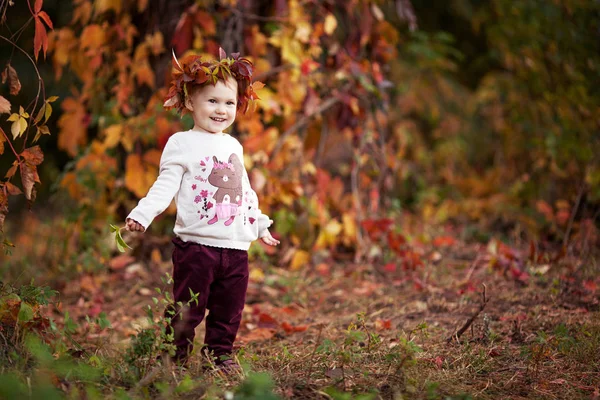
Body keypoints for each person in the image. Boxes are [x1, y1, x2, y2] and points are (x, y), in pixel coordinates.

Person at [125, 49, 279, 369]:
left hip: (236, 246)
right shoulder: (182, 143)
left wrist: (260, 224)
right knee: (187, 307)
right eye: (212, 101)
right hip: (196, 247)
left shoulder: (233, 145)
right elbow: (164, 186)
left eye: (229, 103)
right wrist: (142, 214)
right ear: (191, 101)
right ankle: (173, 357)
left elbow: (244, 190)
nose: (221, 110)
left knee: (229, 308)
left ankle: (219, 356)